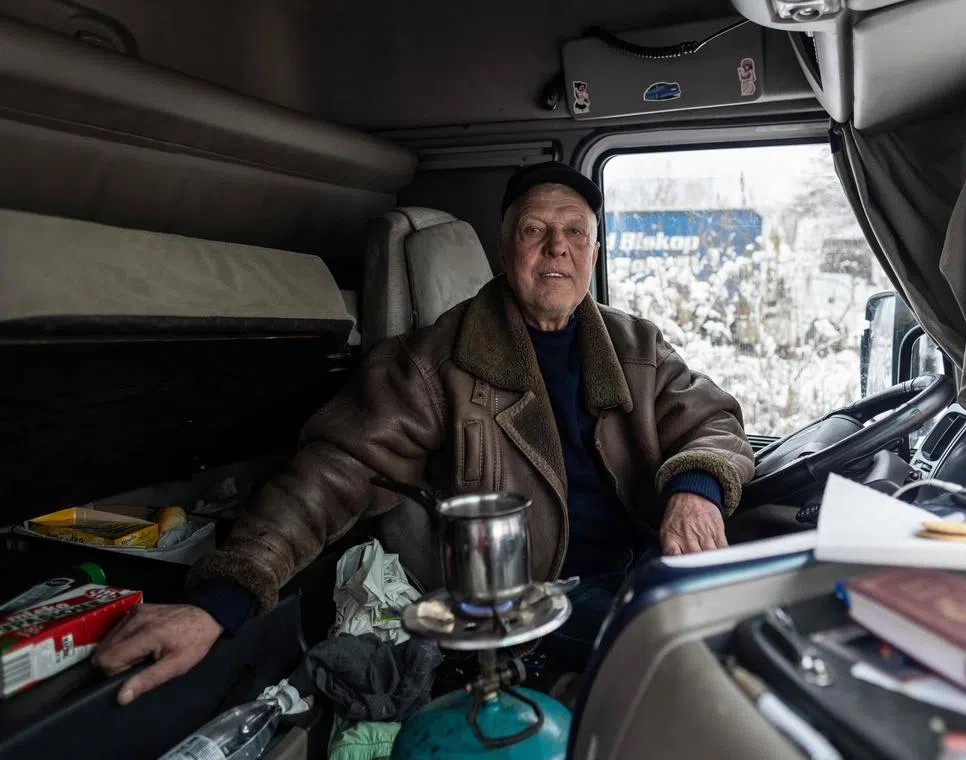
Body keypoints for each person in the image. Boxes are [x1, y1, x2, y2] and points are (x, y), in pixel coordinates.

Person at [92, 162, 755, 704]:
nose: (558, 247)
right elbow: (335, 471)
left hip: (640, 567)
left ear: (594, 252)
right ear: (505, 251)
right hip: (526, 604)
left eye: (576, 233)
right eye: (535, 231)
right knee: (701, 685)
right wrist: (222, 598)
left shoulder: (634, 343)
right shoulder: (434, 362)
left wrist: (694, 488)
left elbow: (710, 416)